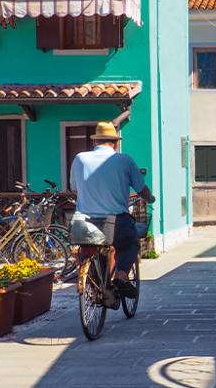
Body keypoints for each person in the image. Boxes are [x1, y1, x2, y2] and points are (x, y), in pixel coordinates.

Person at [69, 121, 154, 298]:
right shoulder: (124, 160)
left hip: (84, 220)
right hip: (116, 220)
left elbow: (74, 188)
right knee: (130, 243)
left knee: (88, 247)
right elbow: (141, 189)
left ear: (94, 142)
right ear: (115, 143)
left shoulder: (79, 158)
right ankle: (121, 276)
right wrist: (149, 198)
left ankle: (92, 283)